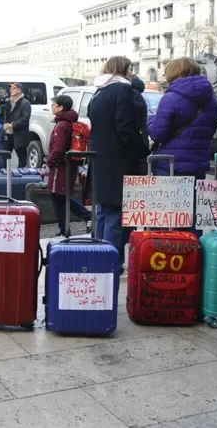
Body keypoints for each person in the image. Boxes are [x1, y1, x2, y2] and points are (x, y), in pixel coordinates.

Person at [88, 56, 148, 271]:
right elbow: (125, 127)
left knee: (103, 210)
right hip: (118, 159)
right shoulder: (122, 90)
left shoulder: (99, 91)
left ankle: (97, 255)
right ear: (123, 69)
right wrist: (141, 150)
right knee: (115, 213)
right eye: (131, 69)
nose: (132, 73)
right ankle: (109, 261)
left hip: (100, 158)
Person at [148, 57, 217, 236]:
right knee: (192, 218)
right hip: (197, 165)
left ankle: (167, 257)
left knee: (165, 218)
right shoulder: (211, 100)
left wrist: (149, 120)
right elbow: (211, 129)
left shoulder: (170, 98)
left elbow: (158, 134)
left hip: (169, 166)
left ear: (174, 73)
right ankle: (191, 257)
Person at [46, 95, 92, 236]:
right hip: (67, 165)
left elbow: (58, 148)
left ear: (61, 107)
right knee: (61, 197)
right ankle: (68, 227)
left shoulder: (61, 125)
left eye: (54, 105)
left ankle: (79, 221)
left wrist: (50, 162)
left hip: (61, 166)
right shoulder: (69, 122)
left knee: (58, 198)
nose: (52, 107)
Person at [2, 82, 32, 168]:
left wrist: (12, 125)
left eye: (14, 88)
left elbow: (25, 118)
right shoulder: (7, 102)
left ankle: (21, 177)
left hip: (20, 134)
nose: (11, 90)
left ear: (19, 90)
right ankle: (4, 176)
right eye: (10, 88)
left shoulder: (25, 103)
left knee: (22, 157)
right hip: (7, 133)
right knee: (4, 156)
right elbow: (2, 116)